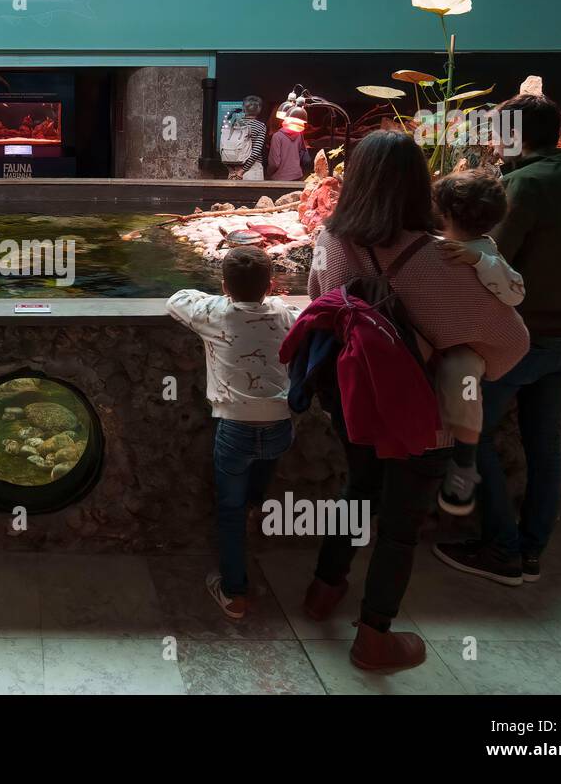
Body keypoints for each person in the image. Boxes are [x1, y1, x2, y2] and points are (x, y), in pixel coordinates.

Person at [300, 131, 527, 671]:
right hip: (423, 416)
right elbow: (512, 340)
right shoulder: (442, 260)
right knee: (400, 527)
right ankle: (374, 637)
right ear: (419, 186)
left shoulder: (333, 241)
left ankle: (324, 590)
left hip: (355, 403)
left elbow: (320, 304)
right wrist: (460, 357)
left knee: (357, 491)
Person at [434, 95, 561, 586]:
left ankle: (503, 549)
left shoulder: (520, 186)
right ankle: (532, 551)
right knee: (545, 446)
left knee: (470, 437)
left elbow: (491, 262)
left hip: (518, 343)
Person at [167, 247, 299, 620]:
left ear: (224, 285)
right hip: (279, 427)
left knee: (230, 508)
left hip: (236, 427)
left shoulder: (216, 313)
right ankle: (252, 520)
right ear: (271, 285)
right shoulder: (283, 312)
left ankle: (234, 592)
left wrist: (216, 296)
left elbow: (177, 300)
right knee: (253, 494)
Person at [430, 169, 525, 515]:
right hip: (440, 339)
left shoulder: (485, 252)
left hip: (467, 348)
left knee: (464, 377)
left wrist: (480, 262)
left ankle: (463, 467)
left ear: (445, 213)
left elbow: (515, 292)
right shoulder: (436, 246)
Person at [221, 95, 268, 181]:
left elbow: (224, 148)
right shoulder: (261, 126)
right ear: (259, 109)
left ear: (243, 108)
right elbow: (256, 151)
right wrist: (242, 171)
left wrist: (231, 170)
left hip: (234, 169)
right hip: (253, 169)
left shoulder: (235, 124)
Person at [265, 116, 307, 182]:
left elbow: (275, 163)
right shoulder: (299, 134)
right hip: (297, 175)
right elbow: (301, 153)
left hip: (280, 177)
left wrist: (268, 172)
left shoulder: (277, 136)